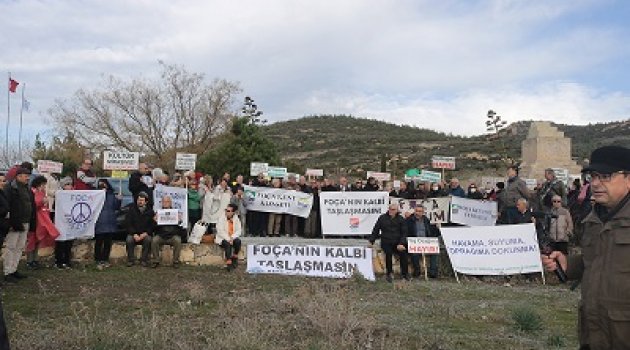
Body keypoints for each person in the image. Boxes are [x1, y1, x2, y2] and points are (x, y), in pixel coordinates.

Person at [542, 145, 630, 349]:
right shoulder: (594, 218)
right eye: (593, 176)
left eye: (605, 176)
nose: (596, 184)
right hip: (595, 332)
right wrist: (568, 264)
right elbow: (595, 260)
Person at [3, 168, 36, 283]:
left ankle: (14, 269)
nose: (27, 178)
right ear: (18, 176)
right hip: (14, 222)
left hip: (25, 221)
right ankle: (7, 272)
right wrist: (11, 222)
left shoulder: (27, 189)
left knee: (20, 247)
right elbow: (7, 206)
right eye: (25, 175)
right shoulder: (10, 188)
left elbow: (31, 205)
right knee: (11, 247)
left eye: (28, 175)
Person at [368, 203, 409, 282]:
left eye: (393, 209)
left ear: (397, 210)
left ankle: (405, 274)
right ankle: (389, 273)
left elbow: (404, 233)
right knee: (388, 253)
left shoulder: (401, 219)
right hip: (386, 241)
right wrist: (371, 241)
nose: (391, 211)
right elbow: (376, 230)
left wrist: (401, 243)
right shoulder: (382, 218)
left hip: (398, 242)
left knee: (403, 253)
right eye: (390, 209)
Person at [25, 176, 60, 269]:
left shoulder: (41, 192)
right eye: (43, 185)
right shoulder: (32, 192)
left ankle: (35, 259)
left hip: (41, 219)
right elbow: (32, 205)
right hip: (34, 219)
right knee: (32, 240)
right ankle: (29, 261)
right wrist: (41, 202)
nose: (44, 187)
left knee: (38, 240)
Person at [406, 206, 441, 278]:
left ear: (423, 212)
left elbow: (432, 232)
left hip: (425, 241)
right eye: (416, 211)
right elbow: (405, 232)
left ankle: (433, 273)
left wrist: (437, 228)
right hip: (415, 242)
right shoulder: (409, 220)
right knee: (414, 253)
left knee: (434, 252)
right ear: (414, 211)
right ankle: (417, 271)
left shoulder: (426, 220)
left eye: (420, 211)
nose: (418, 213)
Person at [94, 179, 121, 269]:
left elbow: (116, 207)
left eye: (104, 184)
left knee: (107, 243)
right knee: (99, 242)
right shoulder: (95, 195)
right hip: (100, 223)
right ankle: (98, 260)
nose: (103, 186)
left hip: (110, 222)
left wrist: (119, 200)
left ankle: (105, 260)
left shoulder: (111, 195)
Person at [152, 195, 183, 268]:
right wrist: (154, 221)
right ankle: (156, 260)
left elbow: (179, 225)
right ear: (161, 203)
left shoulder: (176, 212)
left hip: (172, 236)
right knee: (154, 240)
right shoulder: (158, 213)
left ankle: (176, 261)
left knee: (178, 240)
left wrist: (179, 220)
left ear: (170, 203)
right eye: (164, 201)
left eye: (167, 201)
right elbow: (153, 227)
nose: (165, 203)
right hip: (161, 236)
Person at [124, 192, 154, 267]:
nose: (140, 201)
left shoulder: (150, 211)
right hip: (133, 233)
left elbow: (152, 225)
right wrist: (134, 234)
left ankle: (144, 260)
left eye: (142, 200)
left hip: (145, 234)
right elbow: (128, 223)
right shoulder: (131, 210)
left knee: (148, 240)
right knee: (129, 240)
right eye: (139, 200)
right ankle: (131, 260)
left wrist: (146, 233)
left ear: (146, 202)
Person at [54, 177, 75, 268]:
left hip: (70, 223)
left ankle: (67, 261)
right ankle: (58, 261)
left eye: (70, 184)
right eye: (67, 184)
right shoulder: (59, 195)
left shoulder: (74, 195)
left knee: (69, 243)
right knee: (60, 243)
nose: (69, 186)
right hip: (61, 222)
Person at [215, 204, 242, 271]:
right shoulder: (221, 218)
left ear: (233, 212)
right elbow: (220, 231)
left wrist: (232, 237)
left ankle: (235, 257)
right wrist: (229, 239)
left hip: (232, 237)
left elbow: (239, 230)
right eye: (226, 210)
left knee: (238, 241)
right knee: (227, 244)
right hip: (222, 237)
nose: (226, 212)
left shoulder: (236, 218)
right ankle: (229, 262)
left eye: (228, 211)